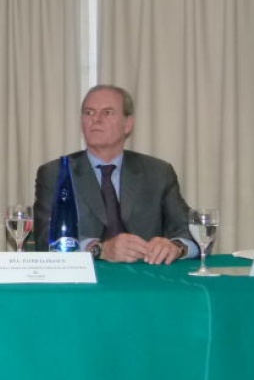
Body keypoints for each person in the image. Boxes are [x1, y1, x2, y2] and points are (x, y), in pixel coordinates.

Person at [33, 84, 198, 264]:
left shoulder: (158, 172)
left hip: (146, 280)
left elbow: (189, 230)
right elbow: (46, 239)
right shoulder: (56, 173)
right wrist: (99, 249)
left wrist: (176, 246)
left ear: (127, 125)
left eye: (107, 112)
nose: (95, 119)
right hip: (84, 282)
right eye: (89, 112)